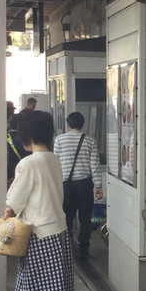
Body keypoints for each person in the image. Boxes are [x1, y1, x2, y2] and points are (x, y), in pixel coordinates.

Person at [3, 111, 73, 291]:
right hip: (57, 233)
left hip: (39, 237)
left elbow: (13, 201)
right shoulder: (53, 160)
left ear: (26, 135)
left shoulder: (28, 163)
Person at [54, 111, 103, 259]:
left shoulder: (59, 140)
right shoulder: (90, 141)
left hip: (66, 185)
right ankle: (83, 247)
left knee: (66, 216)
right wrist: (98, 186)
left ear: (68, 124)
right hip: (85, 184)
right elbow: (95, 165)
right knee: (85, 217)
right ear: (82, 125)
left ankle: (67, 246)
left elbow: (55, 163)